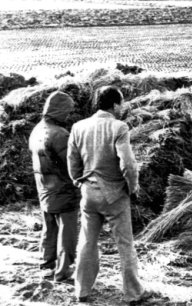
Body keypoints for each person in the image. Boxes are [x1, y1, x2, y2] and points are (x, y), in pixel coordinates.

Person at [67, 86, 147, 305]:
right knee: (125, 244)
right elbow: (128, 164)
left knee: (87, 242)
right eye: (121, 103)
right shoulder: (119, 127)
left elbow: (72, 160)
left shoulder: (78, 126)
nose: (122, 107)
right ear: (114, 105)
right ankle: (133, 293)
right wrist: (132, 187)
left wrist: (78, 181)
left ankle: (82, 290)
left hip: (88, 194)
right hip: (114, 195)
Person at [29, 91, 79, 282]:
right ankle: (64, 269)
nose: (68, 115)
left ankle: (46, 265)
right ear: (58, 110)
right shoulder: (59, 134)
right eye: (67, 110)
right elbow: (71, 165)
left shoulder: (36, 131)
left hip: (43, 187)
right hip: (63, 189)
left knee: (49, 228)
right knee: (68, 230)